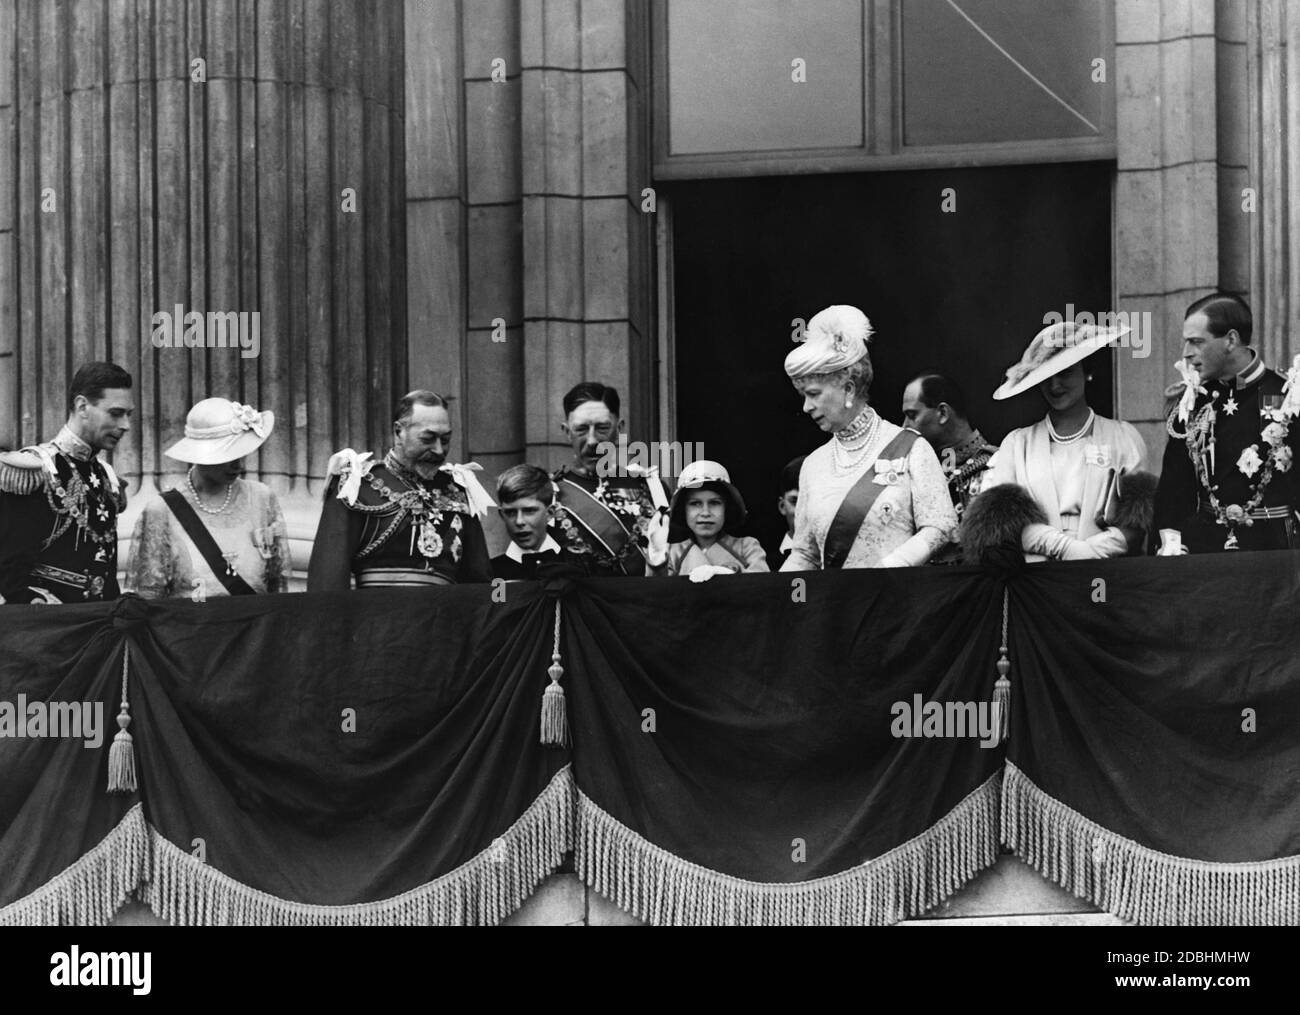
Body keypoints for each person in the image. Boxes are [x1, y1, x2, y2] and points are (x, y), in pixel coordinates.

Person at [781, 305, 957, 570]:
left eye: (814, 394)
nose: (806, 407)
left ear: (848, 388)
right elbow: (804, 554)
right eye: (803, 397)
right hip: (837, 606)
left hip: (896, 601)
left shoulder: (911, 447)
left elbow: (941, 525)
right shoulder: (813, 465)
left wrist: (890, 568)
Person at [985, 321, 1147, 561]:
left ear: (1087, 372)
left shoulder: (1123, 437)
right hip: (1036, 577)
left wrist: (1093, 551)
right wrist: (1064, 547)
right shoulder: (1018, 444)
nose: (1055, 385)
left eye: (1065, 372)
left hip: (1106, 573)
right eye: (1047, 376)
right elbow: (1004, 520)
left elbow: (1137, 520)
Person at [1154, 293, 1300, 553]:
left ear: (1231, 340)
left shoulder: (1289, 394)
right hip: (1206, 552)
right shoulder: (1193, 402)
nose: (1186, 354)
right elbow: (1173, 493)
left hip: (1275, 551)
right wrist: (1171, 546)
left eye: (1196, 342)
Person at [307, 391, 493, 590]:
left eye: (445, 440)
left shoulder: (459, 488)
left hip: (446, 618)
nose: (439, 450)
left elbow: (485, 581)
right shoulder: (357, 485)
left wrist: (508, 605)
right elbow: (326, 581)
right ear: (398, 432)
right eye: (428, 439)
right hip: (377, 618)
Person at [125, 398, 291, 598]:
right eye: (227, 455)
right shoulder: (162, 510)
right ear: (199, 454)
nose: (238, 465)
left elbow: (278, 587)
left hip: (257, 627)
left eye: (242, 453)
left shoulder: (262, 498)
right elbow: (149, 596)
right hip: (191, 626)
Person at [0, 362, 133, 604]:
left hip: (100, 625)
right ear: (82, 406)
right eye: (115, 413)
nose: (125, 425)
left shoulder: (107, 476)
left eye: (128, 414)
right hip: (49, 629)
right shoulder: (36, 471)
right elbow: (10, 573)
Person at [550, 382, 670, 577]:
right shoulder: (550, 494)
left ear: (619, 428)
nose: (592, 441)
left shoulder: (651, 488)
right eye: (581, 429)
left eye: (602, 428)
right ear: (566, 432)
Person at [901, 372, 999, 564]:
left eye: (912, 416)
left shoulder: (997, 464)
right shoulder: (913, 469)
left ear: (943, 413)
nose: (904, 426)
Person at [660, 460, 769, 579]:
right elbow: (655, 589)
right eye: (695, 503)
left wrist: (728, 575)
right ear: (683, 509)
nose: (705, 513)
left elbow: (762, 584)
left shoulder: (746, 547)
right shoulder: (673, 552)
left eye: (714, 503)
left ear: (727, 508)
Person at [491, 464, 582, 581]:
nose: (519, 522)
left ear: (550, 513)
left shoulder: (580, 566)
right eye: (511, 512)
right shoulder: (491, 574)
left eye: (529, 511)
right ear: (501, 515)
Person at [765, 455, 805, 571]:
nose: (803, 510)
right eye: (795, 501)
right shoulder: (762, 563)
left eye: (811, 501)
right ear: (782, 506)